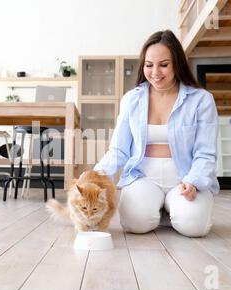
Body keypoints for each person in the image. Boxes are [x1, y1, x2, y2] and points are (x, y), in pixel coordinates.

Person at [94, 30, 219, 237]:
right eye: (149, 65)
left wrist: (194, 182)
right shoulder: (131, 100)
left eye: (164, 65)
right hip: (143, 177)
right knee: (135, 224)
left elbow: (205, 153)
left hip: (185, 179)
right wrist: (96, 174)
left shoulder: (201, 100)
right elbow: (119, 149)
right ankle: (159, 208)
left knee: (194, 227)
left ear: (177, 63)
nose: (155, 72)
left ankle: (172, 208)